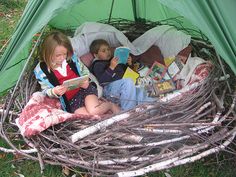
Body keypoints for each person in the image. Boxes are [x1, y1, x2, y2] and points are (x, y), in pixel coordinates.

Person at [34, 31, 120, 117]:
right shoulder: (42, 70)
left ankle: (110, 105)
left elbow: (85, 72)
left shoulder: (72, 58)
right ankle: (104, 110)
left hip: (85, 90)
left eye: (65, 54)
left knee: (94, 111)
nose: (62, 58)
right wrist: (54, 91)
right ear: (48, 54)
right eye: (58, 55)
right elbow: (44, 91)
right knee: (89, 118)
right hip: (71, 101)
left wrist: (86, 80)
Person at [89, 39, 155, 111]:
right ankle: (128, 111)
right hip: (109, 89)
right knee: (128, 82)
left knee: (140, 89)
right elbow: (102, 80)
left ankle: (150, 109)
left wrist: (129, 64)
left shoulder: (115, 61)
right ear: (96, 55)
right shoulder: (98, 64)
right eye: (103, 51)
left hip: (124, 88)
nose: (107, 52)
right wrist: (111, 67)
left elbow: (127, 73)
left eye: (108, 49)